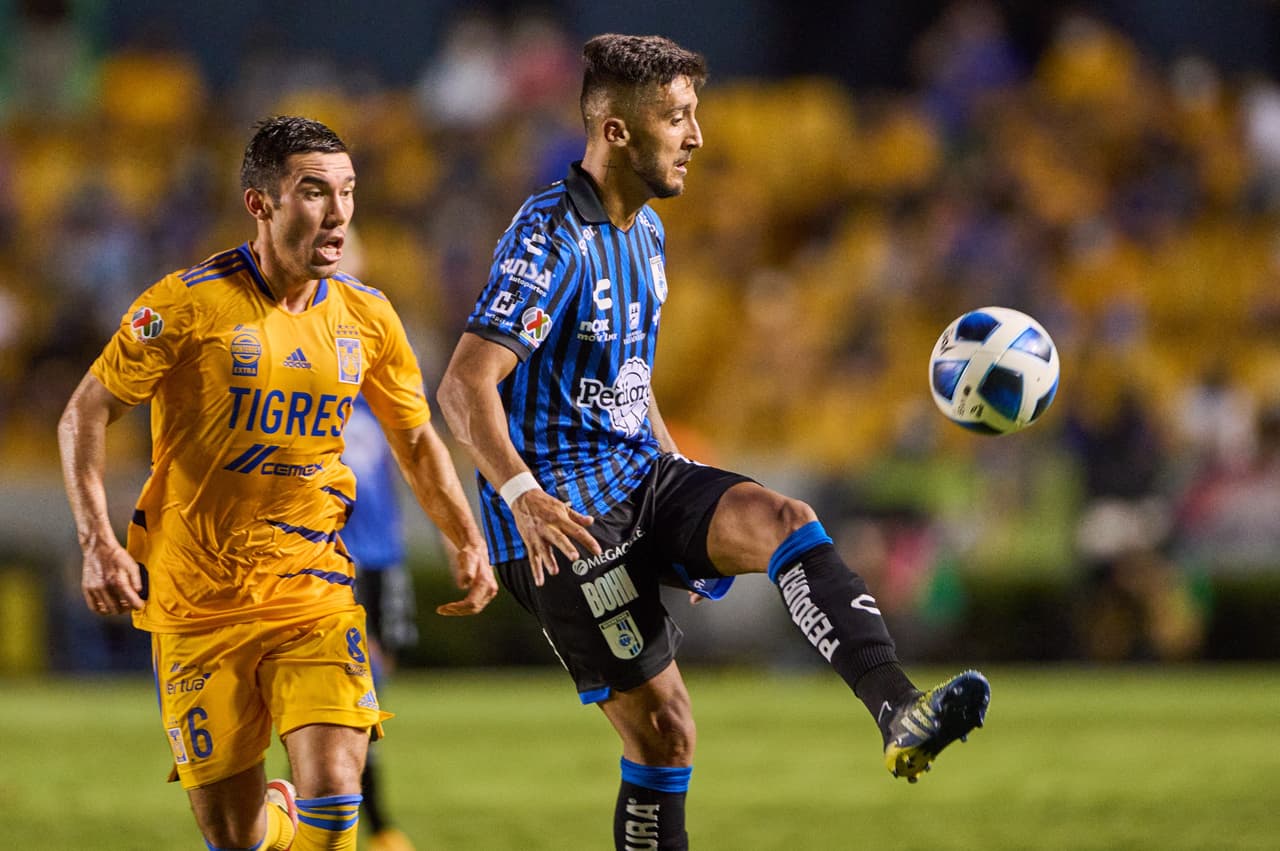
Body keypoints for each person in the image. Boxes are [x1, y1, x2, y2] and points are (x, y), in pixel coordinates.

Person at [438, 34, 991, 849]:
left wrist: (684, 506)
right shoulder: (548, 234)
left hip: (642, 473)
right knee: (665, 731)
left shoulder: (650, 235)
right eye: (677, 117)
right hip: (565, 521)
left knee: (778, 517)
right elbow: (464, 384)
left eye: (694, 114)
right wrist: (523, 498)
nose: (696, 135)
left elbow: (631, 381)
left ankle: (896, 708)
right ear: (618, 132)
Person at [58, 115, 495, 851]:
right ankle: (278, 816)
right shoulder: (186, 305)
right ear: (260, 204)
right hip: (195, 605)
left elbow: (416, 437)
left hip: (313, 591)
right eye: (314, 192)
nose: (339, 212)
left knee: (336, 794)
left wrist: (463, 534)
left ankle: (309, 810)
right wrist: (98, 540)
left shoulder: (367, 315)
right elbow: (84, 414)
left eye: (348, 192)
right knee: (239, 836)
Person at [339, 393, 419, 851]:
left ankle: (321, 804)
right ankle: (377, 825)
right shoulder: (315, 388)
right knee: (353, 692)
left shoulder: (380, 400)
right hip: (336, 556)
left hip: (383, 557)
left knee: (372, 688)